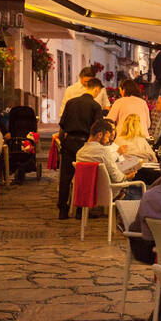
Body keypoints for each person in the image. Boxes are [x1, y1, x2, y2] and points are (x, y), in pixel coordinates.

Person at [56, 76, 106, 220]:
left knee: (66, 177)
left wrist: (62, 142)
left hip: (69, 142)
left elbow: (62, 125)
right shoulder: (95, 106)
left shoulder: (71, 103)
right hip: (85, 144)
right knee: (83, 177)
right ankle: (80, 210)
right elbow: (98, 128)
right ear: (96, 89)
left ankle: (63, 209)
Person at [75, 118, 134, 194]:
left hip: (86, 192)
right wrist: (127, 176)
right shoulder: (103, 152)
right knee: (137, 188)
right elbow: (116, 177)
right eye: (107, 137)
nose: (108, 140)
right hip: (105, 193)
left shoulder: (80, 152)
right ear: (99, 135)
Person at [107, 78, 151, 143]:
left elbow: (109, 121)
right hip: (142, 140)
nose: (120, 93)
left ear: (124, 90)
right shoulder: (143, 102)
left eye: (120, 90)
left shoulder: (119, 102)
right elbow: (148, 124)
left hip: (123, 140)